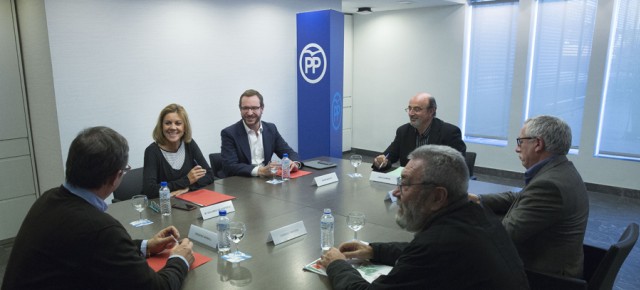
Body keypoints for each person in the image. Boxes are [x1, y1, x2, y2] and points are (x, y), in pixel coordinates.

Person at [2, 127, 195, 290]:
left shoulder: (49, 198)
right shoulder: (100, 229)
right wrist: (179, 260)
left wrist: (145, 246)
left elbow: (92, 248)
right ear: (115, 177)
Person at [319, 145, 529, 289]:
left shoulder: (438, 244)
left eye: (406, 184)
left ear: (438, 196)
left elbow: (425, 252)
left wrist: (337, 265)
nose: (397, 192)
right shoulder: (476, 214)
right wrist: (374, 250)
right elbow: (418, 252)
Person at [469, 115, 589, 278]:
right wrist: (478, 200)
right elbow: (518, 197)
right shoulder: (560, 169)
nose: (517, 148)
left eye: (520, 142)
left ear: (538, 144)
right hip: (555, 259)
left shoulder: (550, 184)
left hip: (545, 276)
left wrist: (464, 220)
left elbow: (504, 236)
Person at [372, 92, 466, 171]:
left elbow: (458, 169)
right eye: (409, 108)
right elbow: (389, 156)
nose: (411, 113)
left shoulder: (449, 133)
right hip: (409, 185)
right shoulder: (403, 131)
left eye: (417, 109)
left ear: (431, 111)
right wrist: (381, 161)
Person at [221, 89, 302, 177]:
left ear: (262, 109)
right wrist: (260, 171)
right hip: (241, 182)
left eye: (254, 108)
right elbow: (230, 166)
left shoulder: (271, 129)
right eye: (245, 108)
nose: (250, 113)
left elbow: (289, 153)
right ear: (240, 109)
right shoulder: (229, 133)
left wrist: (294, 163)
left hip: (266, 182)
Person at [143, 103, 214, 197]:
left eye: (178, 123)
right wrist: (187, 181)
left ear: (184, 127)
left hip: (187, 202)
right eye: (168, 123)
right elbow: (150, 190)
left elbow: (209, 175)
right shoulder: (152, 151)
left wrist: (188, 188)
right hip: (163, 206)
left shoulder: (189, 144)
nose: (173, 127)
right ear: (161, 126)